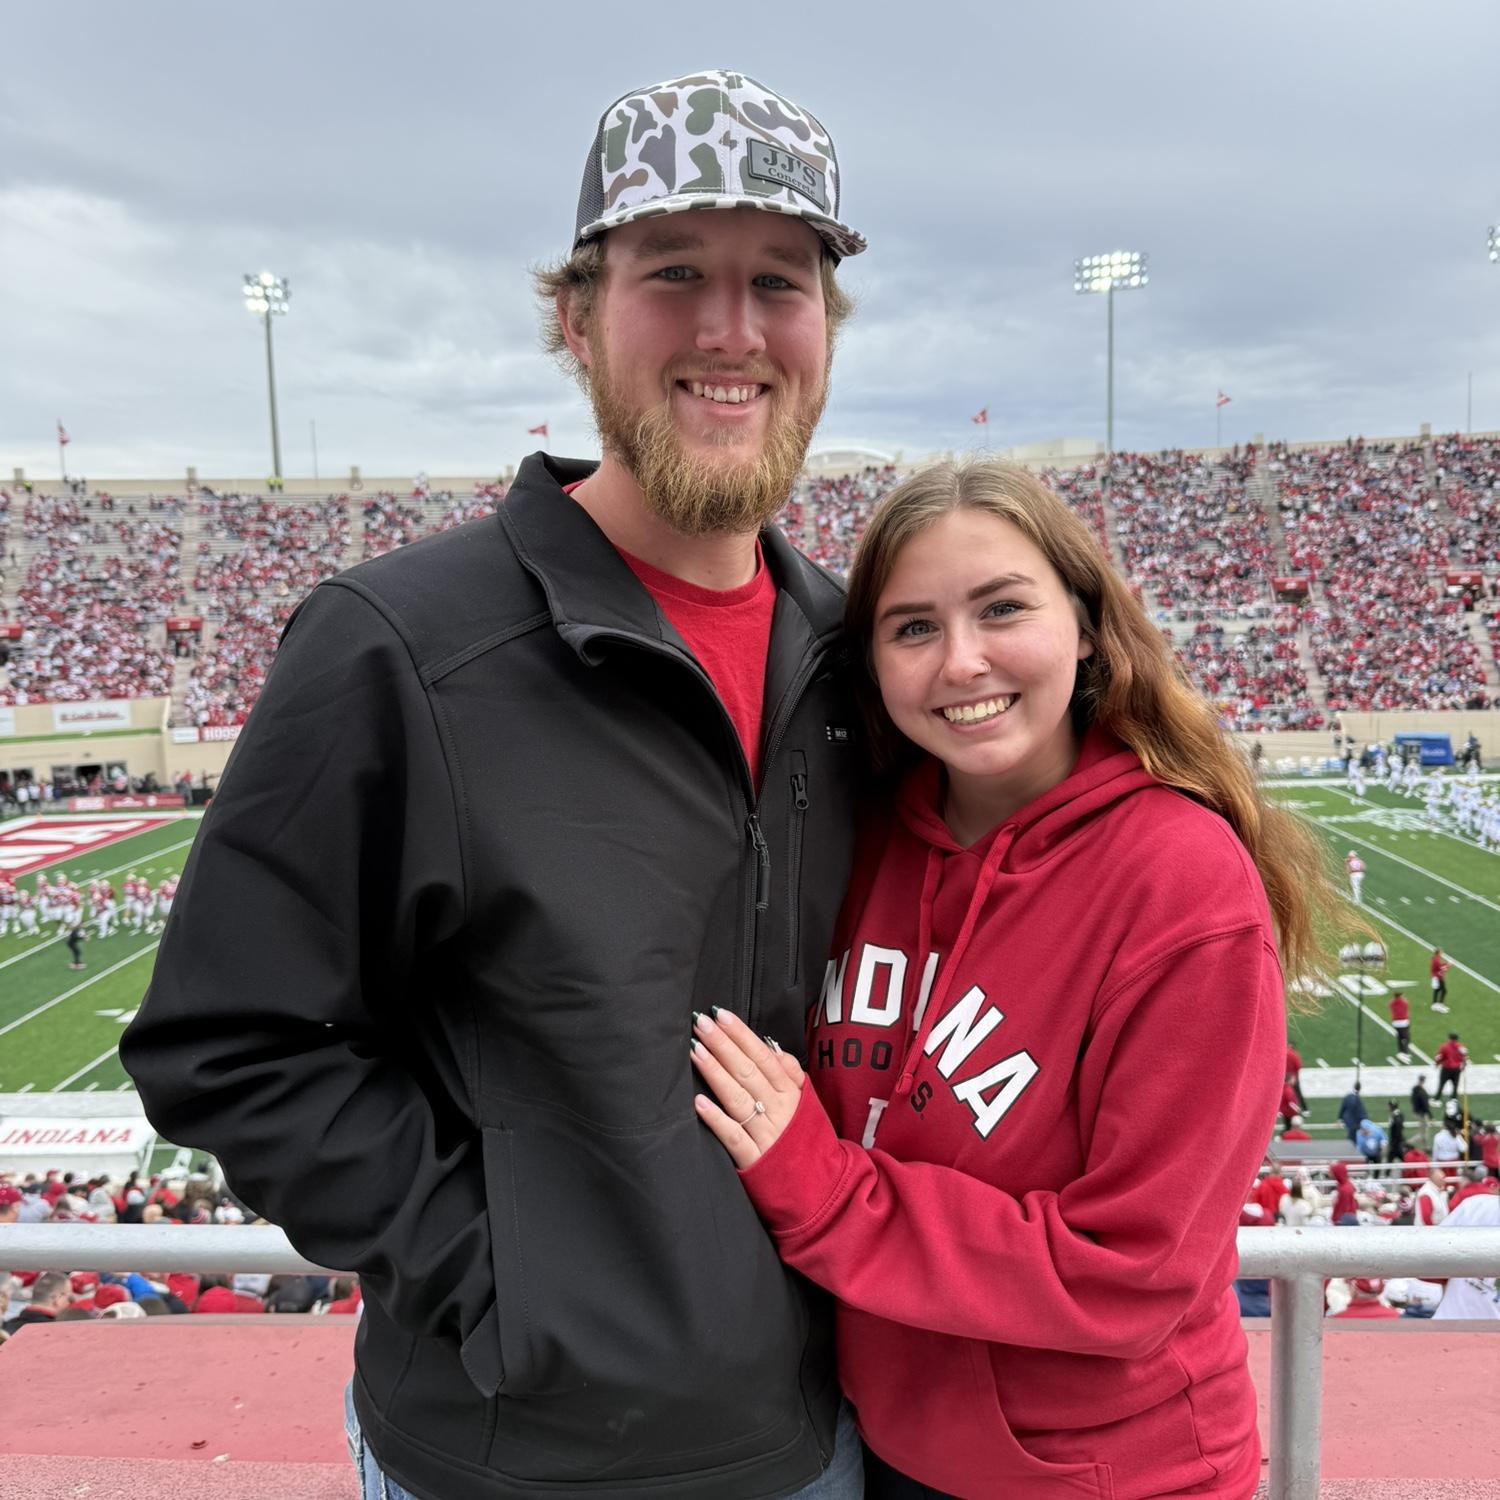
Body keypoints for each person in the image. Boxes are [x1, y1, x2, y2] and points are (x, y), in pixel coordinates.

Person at [122, 68, 869, 1500]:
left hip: (826, 1441)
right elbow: (228, 1043)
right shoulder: (398, 645)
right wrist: (512, 1284)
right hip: (514, 1462)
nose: (731, 329)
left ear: (824, 328)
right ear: (577, 317)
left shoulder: (856, 656)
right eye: (674, 272)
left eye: (779, 281)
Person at [685, 460, 1353, 1497]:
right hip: (879, 1441)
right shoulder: (860, 842)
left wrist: (825, 1191)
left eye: (1002, 609)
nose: (962, 661)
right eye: (913, 627)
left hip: (1107, 1473)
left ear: (1086, 624)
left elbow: (1133, 1271)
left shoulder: (1183, 882)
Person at [1435, 1030, 1468, 1099]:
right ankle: (1453, 1099)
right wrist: (1463, 1066)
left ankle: (1437, 1099)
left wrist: (1437, 1064)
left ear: (1449, 1038)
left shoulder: (1444, 1046)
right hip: (1456, 1069)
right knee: (1455, 1085)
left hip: (1446, 1069)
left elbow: (1439, 1057)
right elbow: (1465, 1057)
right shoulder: (1461, 1047)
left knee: (1441, 1084)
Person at [1410, 1074, 1433, 1147]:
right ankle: (1409, 1143)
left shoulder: (1415, 1089)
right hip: (1422, 1114)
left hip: (1418, 1112)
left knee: (1424, 1131)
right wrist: (1431, 1116)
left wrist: (1415, 1111)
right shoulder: (1422, 1091)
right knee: (1423, 1133)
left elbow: (1413, 1101)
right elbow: (1425, 1105)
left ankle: (1426, 1147)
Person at [1388, 988, 1411, 1058]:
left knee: (1399, 1037)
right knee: (1406, 1038)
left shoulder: (1391, 1002)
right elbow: (1406, 1006)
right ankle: (1405, 1053)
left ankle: (1400, 1052)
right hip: (1403, 1022)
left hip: (1395, 1022)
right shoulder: (1404, 1002)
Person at [1430, 947, 1451, 1012]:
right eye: (1441, 952)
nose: (1442, 953)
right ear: (1439, 952)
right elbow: (1441, 968)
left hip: (1435, 976)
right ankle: (1440, 1005)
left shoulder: (1435, 958)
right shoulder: (1437, 960)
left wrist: (1446, 964)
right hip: (1438, 977)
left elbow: (1439, 967)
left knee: (1437, 990)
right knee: (1444, 990)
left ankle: (1434, 1005)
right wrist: (1448, 965)